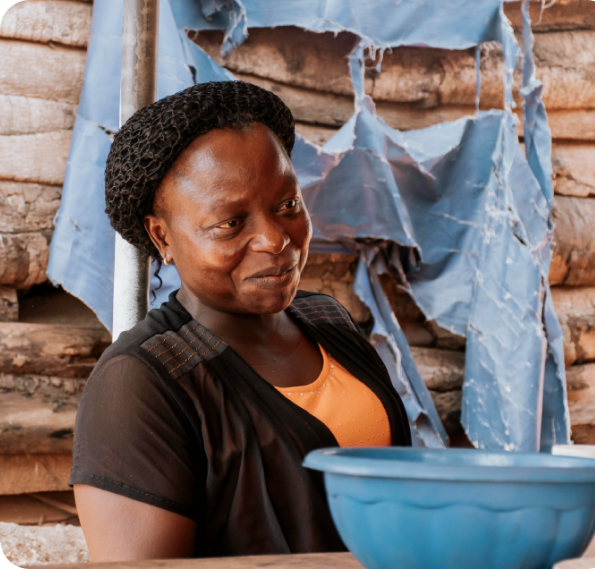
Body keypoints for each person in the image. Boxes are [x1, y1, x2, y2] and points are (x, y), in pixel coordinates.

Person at [71, 80, 412, 562]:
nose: (276, 239)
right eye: (231, 223)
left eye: (288, 205)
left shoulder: (328, 322)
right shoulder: (141, 384)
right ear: (162, 236)